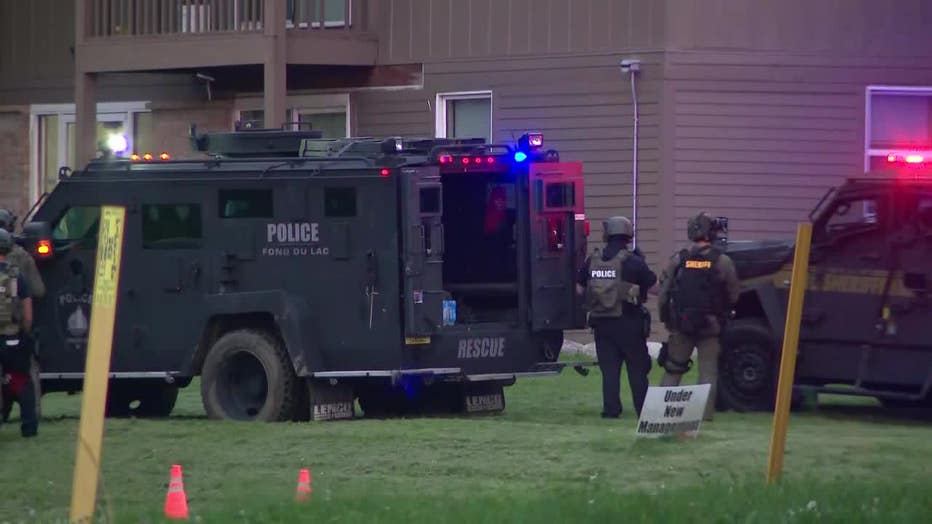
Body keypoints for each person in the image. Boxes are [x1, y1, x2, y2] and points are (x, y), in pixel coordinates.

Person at [657, 212, 740, 421]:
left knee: (673, 369)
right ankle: (704, 416)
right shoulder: (722, 261)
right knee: (708, 372)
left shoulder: (679, 259)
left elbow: (663, 293)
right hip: (711, 325)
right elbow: (734, 295)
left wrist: (667, 319)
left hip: (681, 324)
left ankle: (660, 413)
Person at [577, 216, 657, 419]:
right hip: (629, 323)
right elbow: (654, 287)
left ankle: (611, 410)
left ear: (607, 233)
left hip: (602, 323)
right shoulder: (634, 261)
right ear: (628, 234)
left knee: (610, 371)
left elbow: (579, 289)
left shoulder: (593, 260)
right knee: (637, 369)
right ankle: (643, 411)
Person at [0, 208, 44, 425]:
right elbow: (38, 290)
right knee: (26, 374)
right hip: (14, 331)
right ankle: (31, 417)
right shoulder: (21, 257)